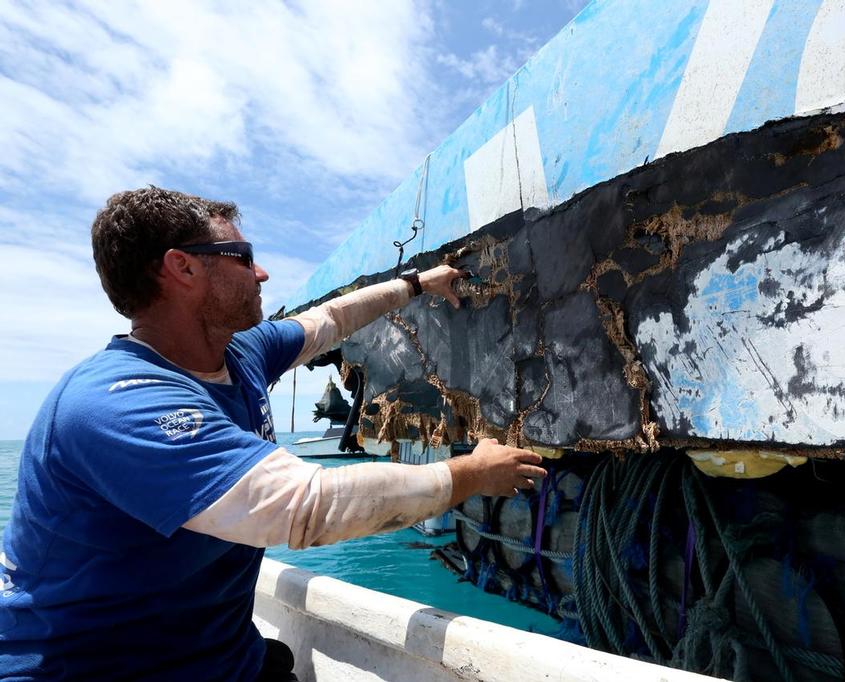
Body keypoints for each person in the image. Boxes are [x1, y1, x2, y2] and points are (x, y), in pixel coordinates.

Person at [0, 187, 546, 681]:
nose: (260, 274)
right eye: (243, 258)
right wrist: (470, 473)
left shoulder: (239, 352)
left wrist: (416, 283)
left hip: (222, 660)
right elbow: (308, 506)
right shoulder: (117, 405)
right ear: (182, 269)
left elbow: (330, 320)